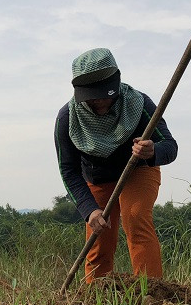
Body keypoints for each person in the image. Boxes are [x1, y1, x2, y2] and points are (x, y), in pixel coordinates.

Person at [54, 48, 177, 282]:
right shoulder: (67, 119)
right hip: (97, 178)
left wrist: (152, 151)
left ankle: (150, 292)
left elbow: (170, 146)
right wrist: (88, 209)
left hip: (138, 170)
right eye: (92, 96)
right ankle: (95, 296)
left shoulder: (139, 104)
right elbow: (68, 170)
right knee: (99, 233)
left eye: (104, 94)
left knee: (136, 216)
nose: (99, 101)